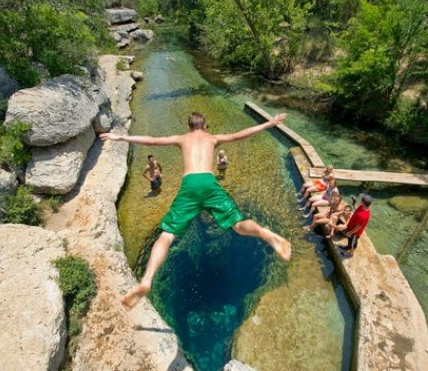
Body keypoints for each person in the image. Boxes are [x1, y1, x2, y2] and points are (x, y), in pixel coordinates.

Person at [100, 112, 292, 309]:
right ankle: (264, 233)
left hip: (189, 185)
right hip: (209, 182)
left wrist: (121, 137)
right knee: (237, 224)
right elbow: (240, 134)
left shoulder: (182, 138)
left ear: (189, 126)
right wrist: (269, 124)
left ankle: (147, 279)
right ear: (205, 125)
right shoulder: (212, 138)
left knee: (167, 235)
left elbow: (151, 140)